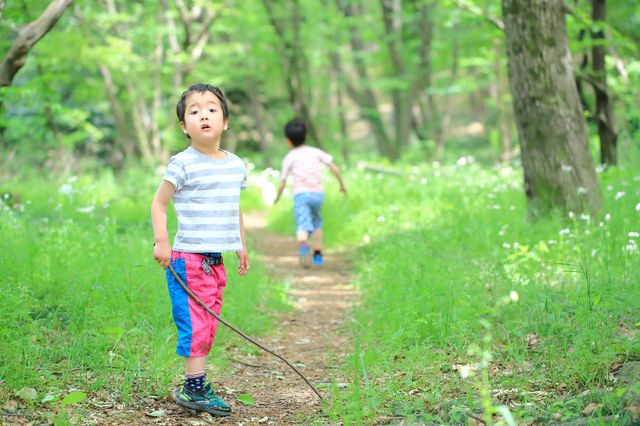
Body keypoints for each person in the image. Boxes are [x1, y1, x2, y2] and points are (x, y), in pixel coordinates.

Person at [151, 83, 249, 417]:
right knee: (194, 324)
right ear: (184, 126)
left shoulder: (235, 165)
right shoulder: (182, 163)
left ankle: (196, 384)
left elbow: (233, 208)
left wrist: (241, 246)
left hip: (214, 260)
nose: (203, 114)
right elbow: (159, 204)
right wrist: (162, 240)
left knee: (208, 323)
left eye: (211, 109)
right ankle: (193, 388)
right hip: (188, 259)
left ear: (225, 121)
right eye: (194, 111)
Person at [274, 118, 347, 268]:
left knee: (302, 224)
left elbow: (283, 182)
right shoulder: (315, 152)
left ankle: (302, 246)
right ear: (306, 136)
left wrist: (277, 197)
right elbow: (334, 168)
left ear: (288, 141)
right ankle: (318, 255)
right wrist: (342, 185)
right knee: (317, 223)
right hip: (318, 195)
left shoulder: (289, 158)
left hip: (301, 195)